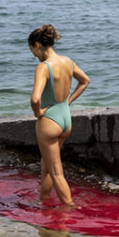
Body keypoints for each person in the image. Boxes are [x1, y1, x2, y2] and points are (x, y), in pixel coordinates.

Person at [28, 24, 90, 205]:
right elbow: (85, 81)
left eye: (32, 50)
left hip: (49, 121)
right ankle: (42, 201)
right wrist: (68, 102)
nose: (33, 55)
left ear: (37, 45)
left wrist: (38, 113)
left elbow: (35, 98)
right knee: (46, 166)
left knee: (56, 172)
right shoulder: (68, 62)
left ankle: (69, 208)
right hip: (65, 119)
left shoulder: (43, 67)